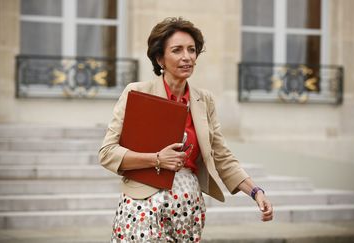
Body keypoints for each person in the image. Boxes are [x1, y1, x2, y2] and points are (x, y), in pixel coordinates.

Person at [99, 17, 273, 242]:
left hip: (188, 206)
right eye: (177, 50)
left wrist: (255, 192)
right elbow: (107, 153)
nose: (187, 57)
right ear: (160, 58)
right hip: (142, 205)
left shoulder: (204, 100)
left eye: (192, 50)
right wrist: (157, 159)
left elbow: (222, 156)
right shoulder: (137, 93)